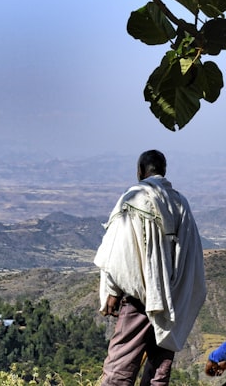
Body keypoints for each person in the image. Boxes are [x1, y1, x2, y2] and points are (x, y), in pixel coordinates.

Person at [94, 150, 206, 385]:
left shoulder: (133, 197)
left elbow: (118, 250)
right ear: (164, 171)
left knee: (121, 365)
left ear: (140, 172)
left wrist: (112, 289)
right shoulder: (179, 202)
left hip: (138, 300)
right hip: (171, 300)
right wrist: (177, 292)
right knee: (159, 370)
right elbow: (191, 252)